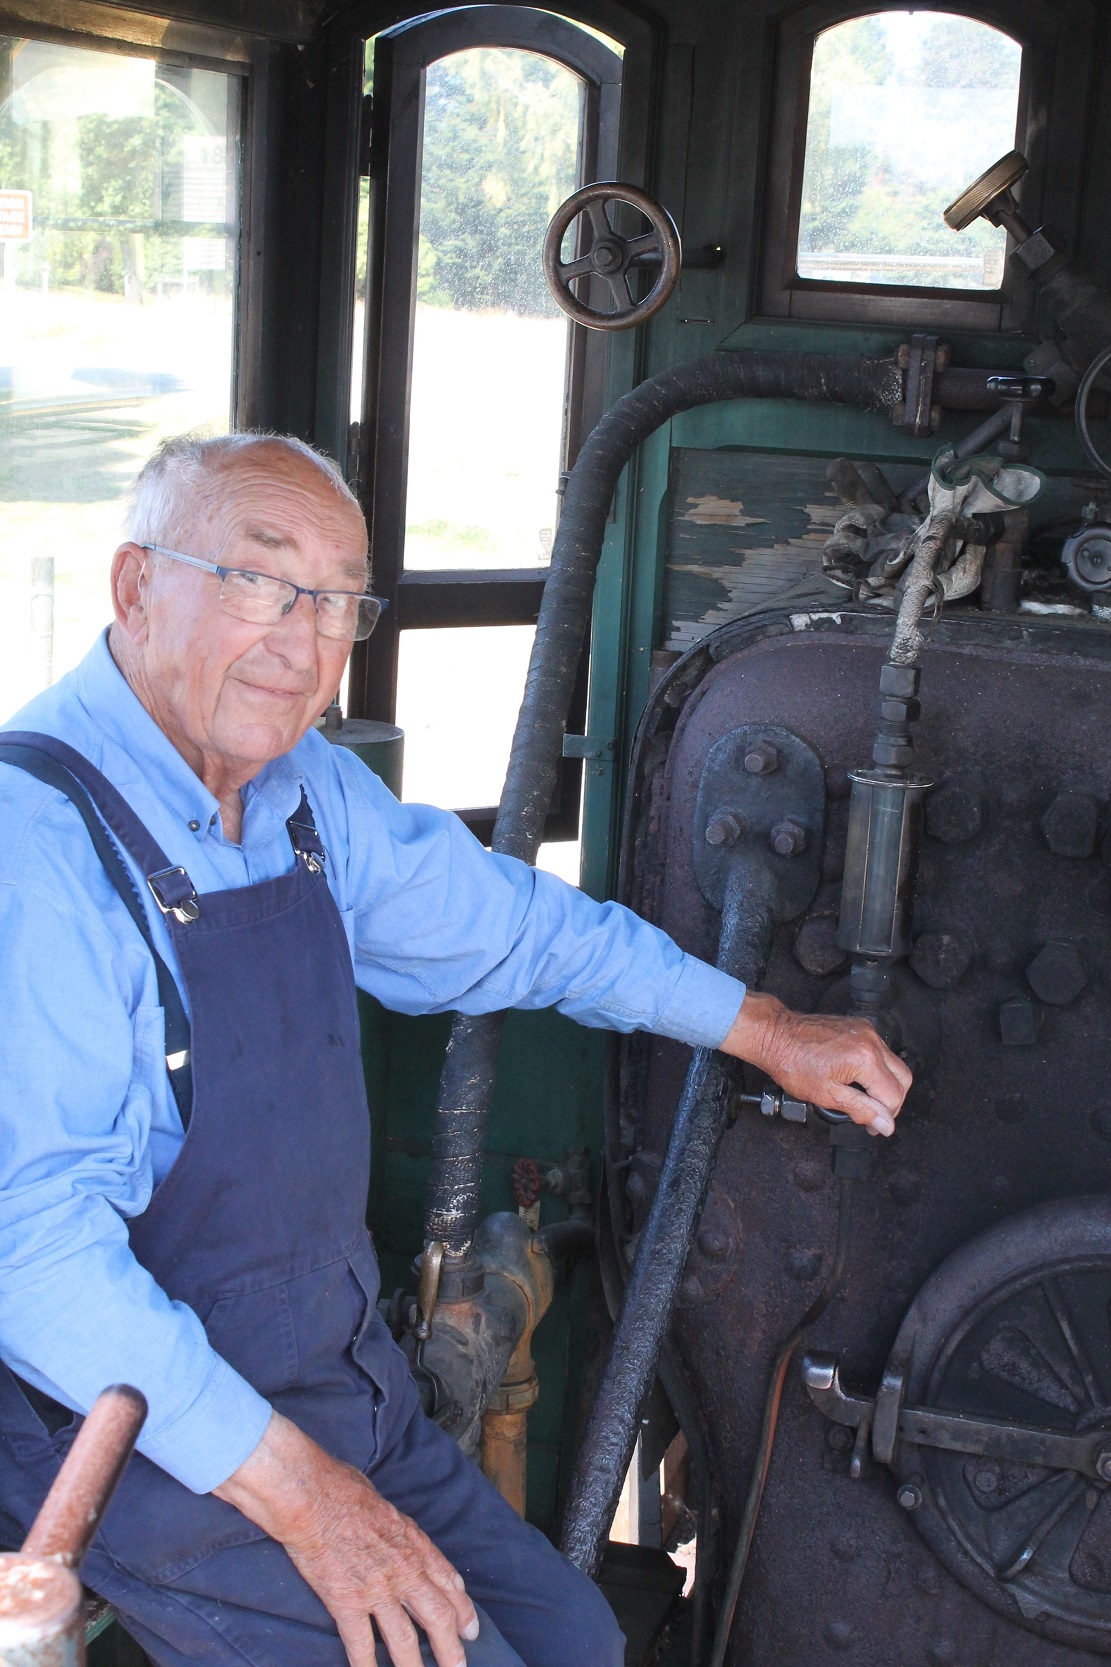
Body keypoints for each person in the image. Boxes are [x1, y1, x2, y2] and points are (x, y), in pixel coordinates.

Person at [0, 434, 910, 1667]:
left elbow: (520, 929)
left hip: (331, 1383)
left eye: (338, 600)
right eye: (259, 580)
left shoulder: (300, 795)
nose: (305, 640)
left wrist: (761, 1027)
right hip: (134, 1433)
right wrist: (313, 1503)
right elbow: (37, 1261)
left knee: (576, 1641)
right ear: (133, 586)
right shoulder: (34, 849)